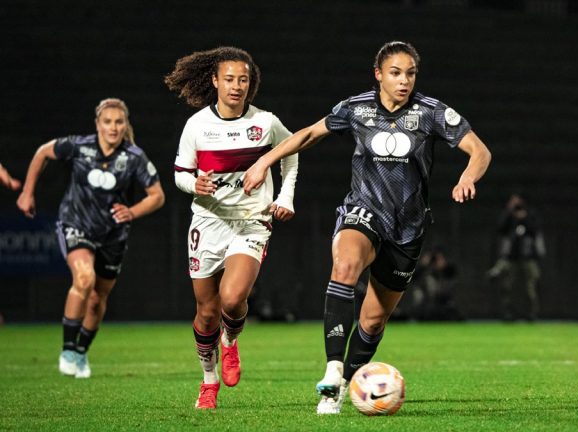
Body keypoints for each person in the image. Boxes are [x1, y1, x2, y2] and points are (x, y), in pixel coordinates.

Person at [242, 40, 492, 414]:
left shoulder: (431, 112)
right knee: (344, 267)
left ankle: (347, 384)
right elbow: (309, 134)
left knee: (373, 321)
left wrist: (467, 177)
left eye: (410, 73)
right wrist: (265, 161)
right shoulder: (356, 108)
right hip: (363, 210)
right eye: (395, 73)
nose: (404, 80)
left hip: (407, 229)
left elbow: (480, 151)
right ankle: (332, 372)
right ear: (378, 75)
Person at [165, 46, 299, 409]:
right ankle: (208, 382)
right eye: (229, 79)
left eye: (243, 79)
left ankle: (230, 341)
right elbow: (180, 174)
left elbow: (292, 150)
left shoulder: (265, 122)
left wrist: (284, 196)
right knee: (206, 312)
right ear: (215, 81)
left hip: (251, 221)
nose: (236, 86)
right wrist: (195, 185)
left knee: (232, 298)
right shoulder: (197, 125)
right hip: (208, 222)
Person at [16, 98, 165, 378]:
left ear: (125, 125)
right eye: (107, 121)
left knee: (97, 299)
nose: (113, 127)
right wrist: (27, 192)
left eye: (119, 122)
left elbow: (157, 196)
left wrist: (132, 212)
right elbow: (42, 154)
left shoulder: (133, 157)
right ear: (97, 124)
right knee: (83, 278)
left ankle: (82, 352)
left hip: (112, 235)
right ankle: (68, 349)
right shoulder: (78, 146)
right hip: (76, 224)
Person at [487, 193, 546, 321]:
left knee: (531, 287)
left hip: (528, 256)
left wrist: (524, 218)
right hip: (511, 256)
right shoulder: (509, 216)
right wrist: (510, 212)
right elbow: (500, 228)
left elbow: (536, 230)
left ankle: (532, 313)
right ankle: (508, 313)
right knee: (507, 286)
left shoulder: (530, 215)